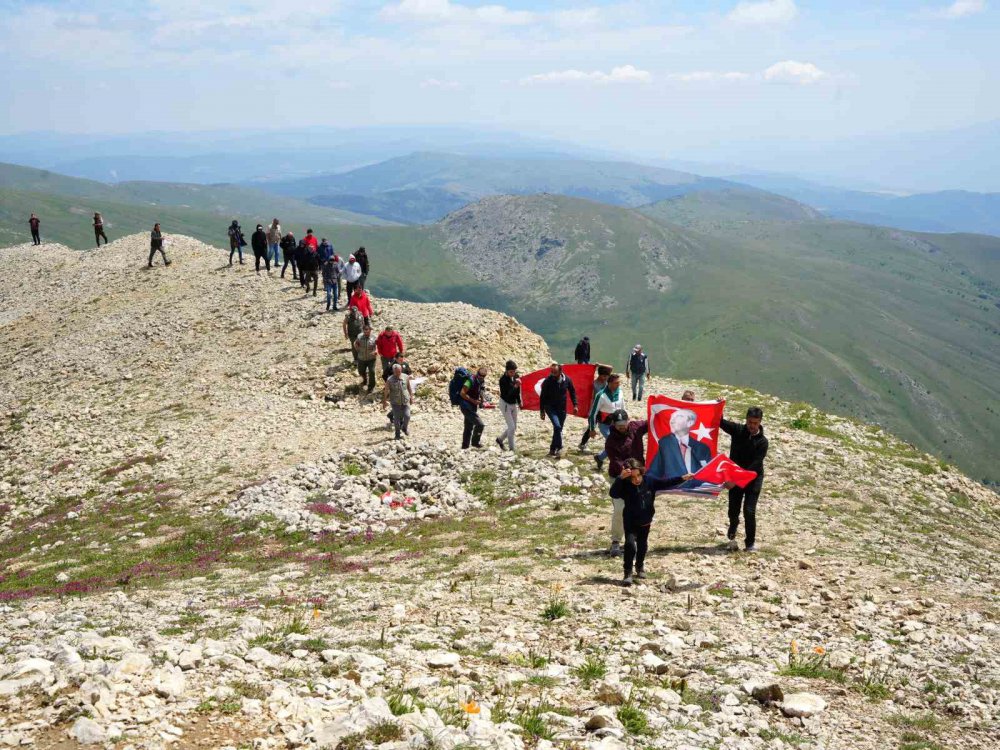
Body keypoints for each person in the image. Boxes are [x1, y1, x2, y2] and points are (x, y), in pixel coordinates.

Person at [610, 459, 691, 586]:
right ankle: (628, 572)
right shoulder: (624, 485)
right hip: (630, 521)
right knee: (630, 545)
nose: (636, 479)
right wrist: (620, 478)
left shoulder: (649, 481)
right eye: (633, 477)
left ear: (642, 472)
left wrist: (682, 478)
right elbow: (613, 493)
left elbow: (665, 483)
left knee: (642, 545)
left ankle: (640, 566)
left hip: (645, 521)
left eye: (638, 475)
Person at [721, 407, 769, 553]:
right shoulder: (738, 430)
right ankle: (733, 524)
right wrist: (719, 405)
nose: (752, 426)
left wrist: (734, 481)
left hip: (753, 478)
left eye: (755, 423)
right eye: (749, 422)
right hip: (734, 475)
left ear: (760, 422)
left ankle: (750, 544)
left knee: (749, 510)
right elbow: (719, 422)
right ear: (746, 420)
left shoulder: (763, 442)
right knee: (733, 509)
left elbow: (754, 466)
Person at [603, 409, 648, 556]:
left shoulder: (636, 427)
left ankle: (633, 536)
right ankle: (615, 541)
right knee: (619, 509)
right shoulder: (610, 441)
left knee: (638, 507)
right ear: (614, 424)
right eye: (619, 424)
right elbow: (616, 463)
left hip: (638, 476)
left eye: (624, 423)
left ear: (628, 421)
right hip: (620, 477)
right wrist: (629, 472)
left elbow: (652, 423)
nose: (622, 427)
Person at [647, 409, 712, 480]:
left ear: (690, 423)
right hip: (672, 489)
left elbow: (708, 474)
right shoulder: (665, 444)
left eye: (678, 417)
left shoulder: (702, 448)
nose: (672, 421)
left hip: (696, 489)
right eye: (672, 418)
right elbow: (654, 472)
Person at [588, 373, 627, 472]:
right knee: (614, 443)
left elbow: (623, 408)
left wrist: (626, 421)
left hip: (617, 425)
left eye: (619, 383)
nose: (618, 385)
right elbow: (593, 413)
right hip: (604, 425)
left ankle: (600, 458)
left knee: (615, 443)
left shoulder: (620, 393)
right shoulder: (601, 395)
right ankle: (616, 466)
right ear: (609, 383)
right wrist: (592, 429)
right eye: (616, 383)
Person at [539, 362, 578, 458]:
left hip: (562, 408)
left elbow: (572, 392)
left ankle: (552, 449)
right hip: (550, 407)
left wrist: (575, 405)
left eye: (555, 372)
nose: (553, 374)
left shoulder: (567, 380)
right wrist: (542, 411)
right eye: (551, 371)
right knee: (557, 426)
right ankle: (560, 447)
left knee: (558, 429)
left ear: (561, 371)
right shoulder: (547, 381)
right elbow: (542, 396)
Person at [579, 365, 612, 451]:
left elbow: (611, 367)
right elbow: (591, 398)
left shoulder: (607, 382)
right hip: (595, 409)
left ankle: (611, 444)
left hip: (604, 409)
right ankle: (583, 444)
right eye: (604, 376)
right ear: (599, 375)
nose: (605, 377)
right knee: (591, 427)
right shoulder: (594, 384)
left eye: (607, 376)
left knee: (609, 425)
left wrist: (599, 365)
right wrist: (590, 411)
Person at [381, 363, 414, 440]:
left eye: (399, 371)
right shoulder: (390, 380)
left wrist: (411, 397)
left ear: (401, 370)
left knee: (407, 416)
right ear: (393, 371)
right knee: (397, 419)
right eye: (396, 372)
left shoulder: (405, 377)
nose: (398, 373)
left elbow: (409, 387)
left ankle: (404, 428)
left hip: (405, 400)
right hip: (395, 402)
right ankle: (397, 434)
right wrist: (384, 401)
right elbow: (386, 391)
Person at [459, 367, 488, 449]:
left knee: (468, 427)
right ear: (477, 373)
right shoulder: (470, 380)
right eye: (480, 375)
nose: (481, 377)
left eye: (483, 376)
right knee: (480, 424)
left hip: (472, 406)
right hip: (466, 406)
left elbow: (481, 391)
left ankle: (464, 447)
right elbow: (462, 393)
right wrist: (473, 401)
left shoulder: (481, 381)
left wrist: (482, 401)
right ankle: (475, 442)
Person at [496, 360, 521, 451]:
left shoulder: (516, 377)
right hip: (505, 403)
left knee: (514, 427)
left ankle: (500, 439)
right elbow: (507, 395)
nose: (513, 373)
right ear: (506, 371)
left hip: (513, 403)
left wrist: (519, 401)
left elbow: (517, 392)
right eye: (511, 372)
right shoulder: (503, 380)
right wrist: (515, 386)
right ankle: (512, 449)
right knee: (511, 427)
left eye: (514, 371)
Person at [353, 323, 379, 393]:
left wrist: (376, 351)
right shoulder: (359, 336)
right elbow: (355, 343)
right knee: (361, 372)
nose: (366, 333)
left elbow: (377, 346)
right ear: (363, 331)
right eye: (365, 331)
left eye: (368, 331)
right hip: (361, 358)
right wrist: (358, 350)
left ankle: (371, 387)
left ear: (370, 330)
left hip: (371, 359)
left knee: (372, 372)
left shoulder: (374, 337)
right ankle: (364, 382)